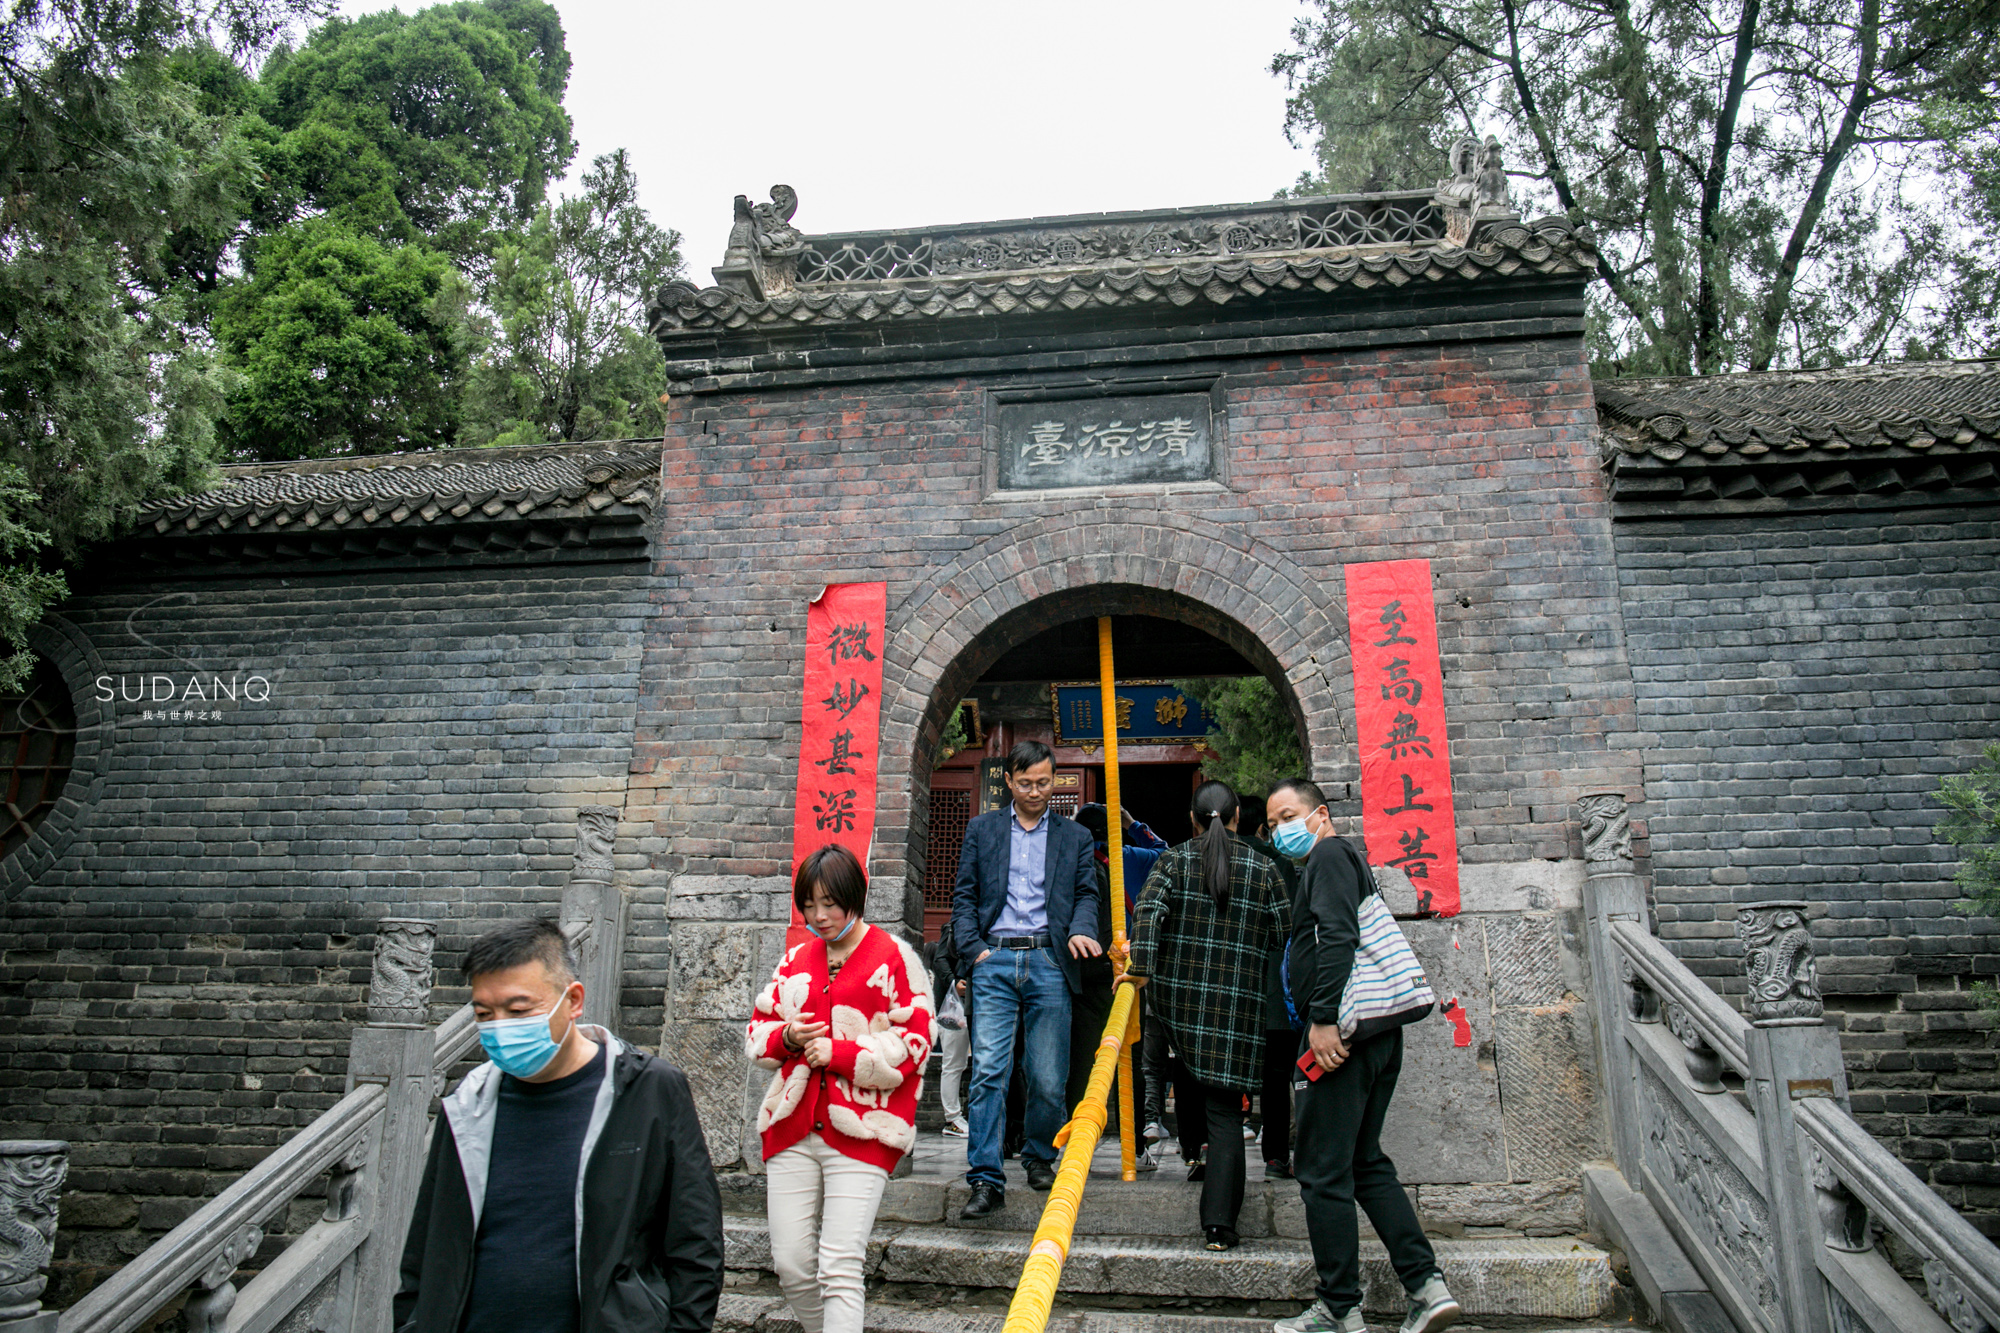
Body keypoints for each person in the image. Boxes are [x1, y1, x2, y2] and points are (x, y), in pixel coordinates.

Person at [395, 918, 723, 1333]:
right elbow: (426, 1250)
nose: (499, 1026)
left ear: (573, 1000)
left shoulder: (647, 1092)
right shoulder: (465, 1106)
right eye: (484, 1013)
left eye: (518, 1010)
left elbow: (695, 1244)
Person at [1266, 779, 1461, 1333]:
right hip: (1377, 1035)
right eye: (1274, 822)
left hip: (1342, 1037)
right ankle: (1425, 1286)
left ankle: (1338, 1307)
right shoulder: (1342, 858)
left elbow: (1338, 935)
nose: (1281, 830)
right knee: (1364, 1161)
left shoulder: (1327, 853)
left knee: (1322, 1172)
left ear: (1320, 814)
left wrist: (1323, 1020)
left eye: (1289, 816)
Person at [747, 844, 934, 1333]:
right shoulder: (794, 959)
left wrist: (844, 1054)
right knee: (790, 1262)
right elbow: (757, 1034)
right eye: (809, 904)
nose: (819, 915)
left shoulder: (896, 957)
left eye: (830, 903)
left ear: (855, 896)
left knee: (839, 1263)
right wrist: (787, 1038)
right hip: (791, 1127)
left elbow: (916, 1041)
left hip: (863, 1128)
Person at [1122, 781, 1289, 1251]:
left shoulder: (1172, 861)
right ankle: (1220, 1225)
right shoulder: (1264, 866)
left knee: (1191, 1081)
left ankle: (1200, 1177)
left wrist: (1140, 973)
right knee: (1225, 1112)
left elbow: (1148, 918)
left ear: (1193, 821)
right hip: (1237, 1004)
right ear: (1238, 816)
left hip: (1182, 1007)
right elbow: (1281, 931)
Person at [950, 739, 1103, 1217]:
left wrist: (1080, 930)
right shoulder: (983, 829)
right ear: (1009, 782)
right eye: (1026, 783)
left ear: (1053, 779)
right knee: (989, 1072)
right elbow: (965, 896)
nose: (1036, 791)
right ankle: (985, 1178)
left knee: (1047, 1076)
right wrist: (974, 951)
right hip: (994, 961)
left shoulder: (1074, 837)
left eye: (1044, 782)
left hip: (1048, 962)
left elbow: (1086, 894)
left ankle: (1039, 1155)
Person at [1067, 803, 1168, 1118]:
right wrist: (1133, 825)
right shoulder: (1131, 858)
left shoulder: (1068, 862)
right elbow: (1166, 854)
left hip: (1081, 968)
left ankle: (1076, 1132)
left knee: (1081, 1058)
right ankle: (1136, 1141)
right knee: (1130, 1058)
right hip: (1124, 971)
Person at [1236, 798, 1300, 1180]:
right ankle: (1276, 1156)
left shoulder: (1200, 857)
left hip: (1226, 987)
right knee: (1277, 1080)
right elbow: (1289, 922)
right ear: (1263, 827)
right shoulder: (1279, 863)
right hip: (1272, 988)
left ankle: (1207, 1155)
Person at [929, 919, 971, 1137]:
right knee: (954, 1062)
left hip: (976, 1005)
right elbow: (940, 959)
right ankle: (952, 1118)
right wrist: (954, 981)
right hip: (954, 1007)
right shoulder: (954, 926)